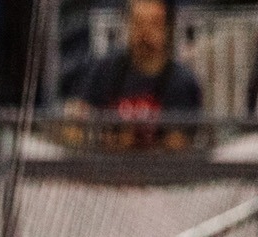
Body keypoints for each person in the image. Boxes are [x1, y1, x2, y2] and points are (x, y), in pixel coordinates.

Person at [65, 0, 202, 149]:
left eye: (154, 24)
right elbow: (73, 126)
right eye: (137, 23)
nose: (144, 33)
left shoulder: (181, 82)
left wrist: (133, 144)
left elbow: (178, 147)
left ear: (168, 28)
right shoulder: (105, 69)